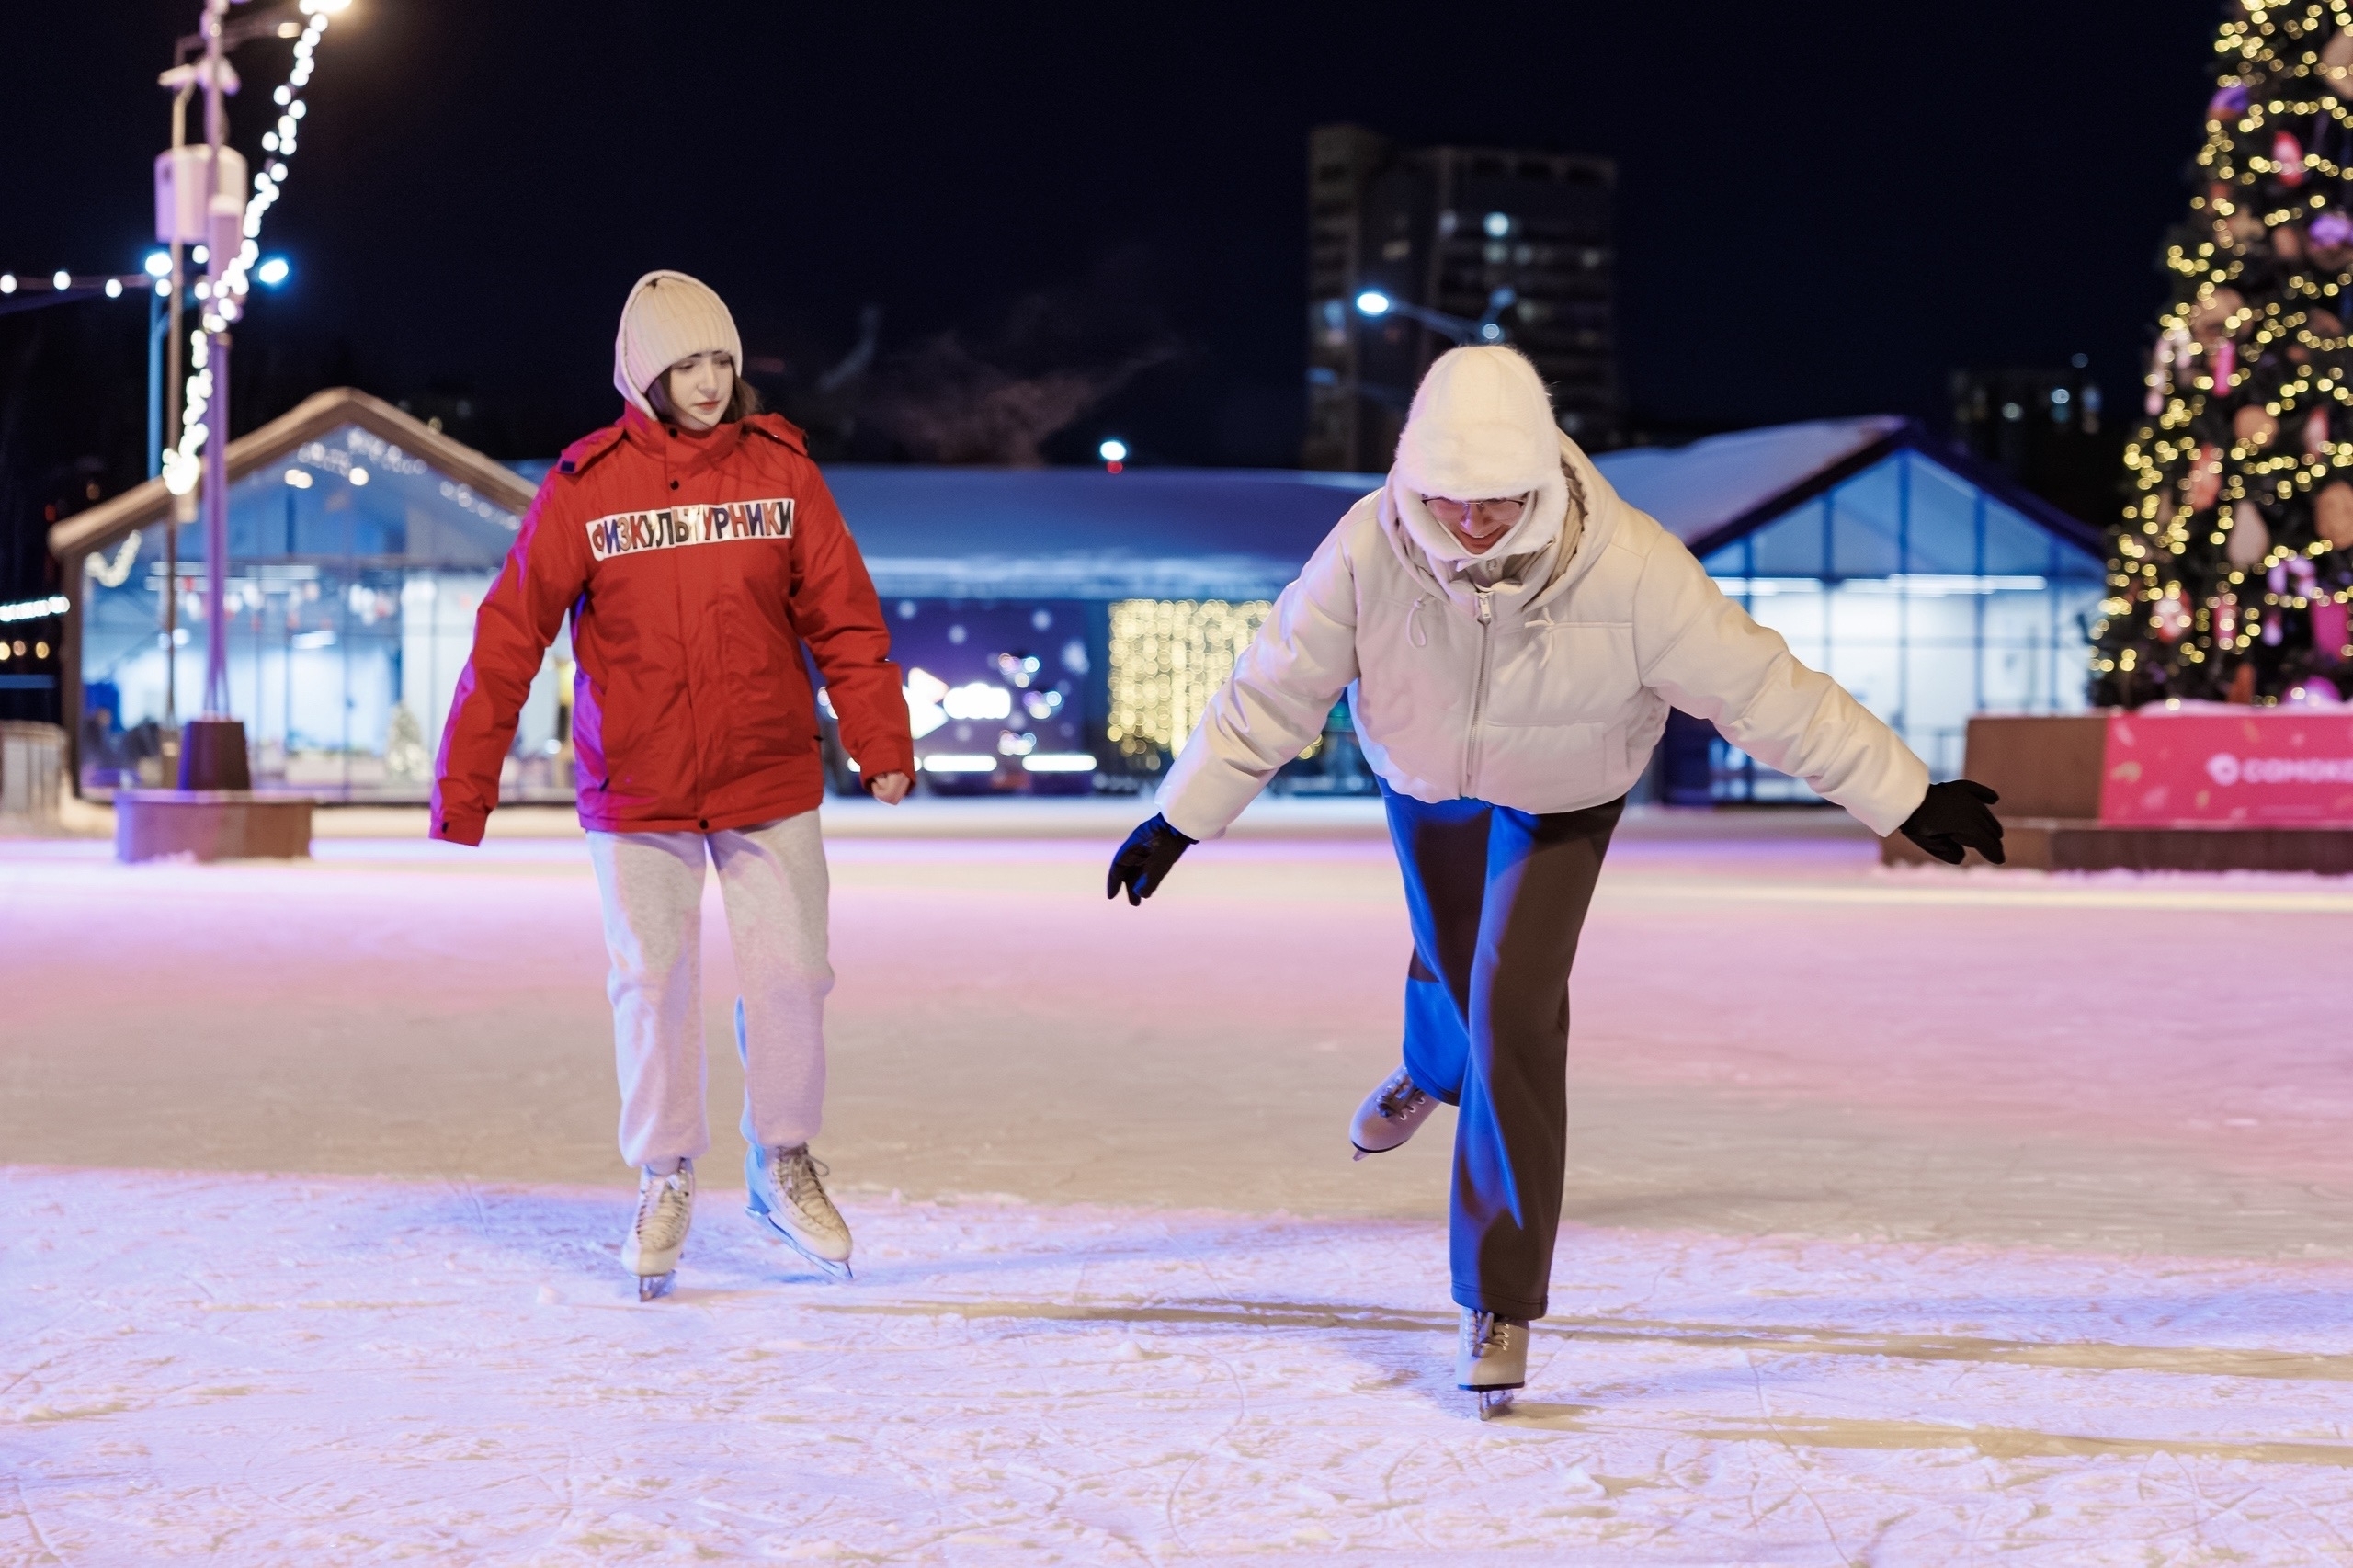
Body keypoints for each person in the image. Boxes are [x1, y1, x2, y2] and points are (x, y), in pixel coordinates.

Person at [1106, 346, 2002, 1412]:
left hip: (1567, 791)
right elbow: (1274, 687)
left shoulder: (1630, 565)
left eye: (1495, 498)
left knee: (1514, 1009)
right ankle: (1429, 1064)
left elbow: (1763, 690)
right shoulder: (1367, 546)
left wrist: (1902, 793)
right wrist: (1180, 814)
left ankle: (1497, 1295)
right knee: (1455, 960)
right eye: (1449, 497)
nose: (1471, 521)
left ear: (1536, 476)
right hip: (1427, 779)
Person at [431, 270, 915, 1300]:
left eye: (720, 362)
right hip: (638, 787)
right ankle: (663, 1173)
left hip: (766, 774)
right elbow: (509, 636)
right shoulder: (586, 486)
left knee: (793, 975)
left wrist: (878, 737)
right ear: (642, 377)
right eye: (684, 365)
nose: (706, 383)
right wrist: (464, 786)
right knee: (650, 983)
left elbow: (844, 614)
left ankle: (783, 1159)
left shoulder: (781, 471)